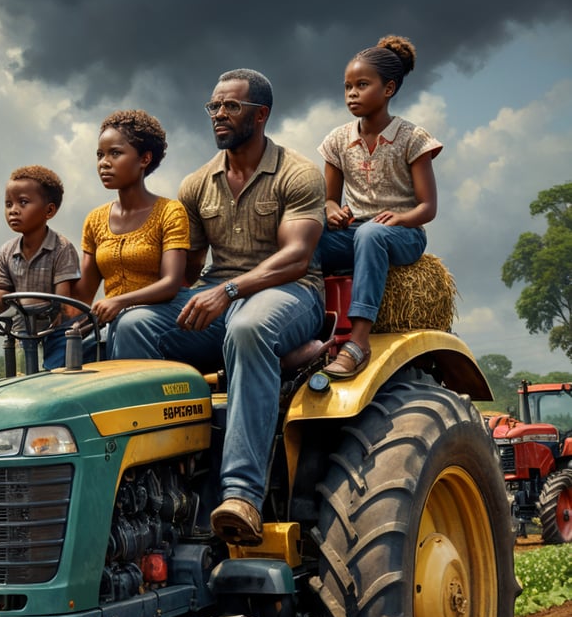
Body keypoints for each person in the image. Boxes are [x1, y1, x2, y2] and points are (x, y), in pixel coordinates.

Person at [113, 69, 325, 546]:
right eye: (214, 107)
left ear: (260, 114)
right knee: (135, 327)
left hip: (290, 292)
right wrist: (125, 284)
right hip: (218, 294)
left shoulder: (297, 173)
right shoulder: (196, 185)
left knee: (248, 328)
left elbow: (296, 258)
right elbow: (184, 274)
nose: (219, 115)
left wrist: (227, 293)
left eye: (230, 106)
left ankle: (240, 496)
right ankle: (150, 490)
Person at [316, 35, 442, 379]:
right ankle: (310, 329)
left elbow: (428, 207)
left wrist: (401, 217)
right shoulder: (338, 140)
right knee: (305, 232)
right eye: (347, 87)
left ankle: (357, 343)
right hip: (354, 233)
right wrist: (330, 210)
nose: (351, 93)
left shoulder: (412, 138)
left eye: (361, 85)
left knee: (371, 234)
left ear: (388, 89)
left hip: (403, 234)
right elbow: (329, 198)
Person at [73, 110, 189, 356]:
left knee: (127, 326)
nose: (104, 162)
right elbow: (83, 294)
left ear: (144, 159)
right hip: (113, 320)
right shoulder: (94, 220)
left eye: (115, 153)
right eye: (100, 155)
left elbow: (171, 284)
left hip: (159, 315)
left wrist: (120, 302)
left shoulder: (170, 211)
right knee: (70, 346)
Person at [0, 165, 80, 369]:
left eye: (23, 202)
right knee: (21, 377)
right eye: (8, 204)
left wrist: (47, 322)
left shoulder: (62, 249)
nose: (13, 210)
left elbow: (64, 304)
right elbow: (5, 295)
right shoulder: (6, 253)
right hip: (22, 331)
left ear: (49, 210)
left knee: (53, 372)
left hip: (56, 332)